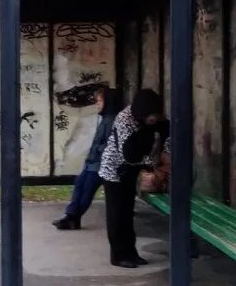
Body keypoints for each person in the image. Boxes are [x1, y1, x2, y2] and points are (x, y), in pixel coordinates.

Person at [98, 88, 166, 267]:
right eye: (149, 116)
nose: (153, 119)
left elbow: (166, 134)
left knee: (127, 213)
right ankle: (119, 255)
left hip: (130, 171)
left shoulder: (152, 119)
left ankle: (131, 252)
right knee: (117, 214)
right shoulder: (125, 120)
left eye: (155, 115)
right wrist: (151, 162)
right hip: (115, 170)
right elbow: (129, 155)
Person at [52, 86, 120, 230]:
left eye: (100, 101)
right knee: (79, 186)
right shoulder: (106, 119)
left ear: (108, 102)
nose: (97, 104)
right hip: (92, 162)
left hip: (101, 164)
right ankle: (71, 217)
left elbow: (110, 144)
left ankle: (73, 218)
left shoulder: (113, 120)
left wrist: (96, 151)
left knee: (86, 190)